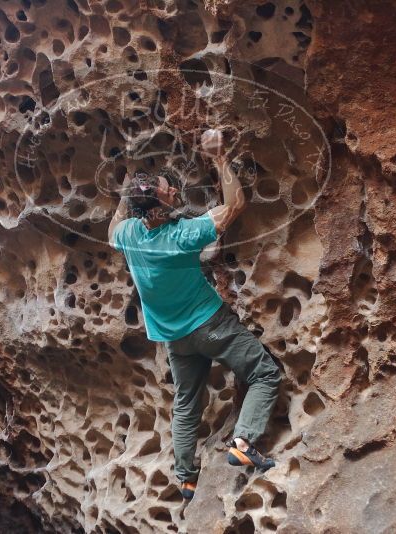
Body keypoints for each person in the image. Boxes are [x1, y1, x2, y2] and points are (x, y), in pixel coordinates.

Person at [108, 130, 282, 501]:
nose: (173, 188)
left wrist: (125, 197)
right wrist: (219, 158)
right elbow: (235, 205)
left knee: (187, 402)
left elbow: (112, 229)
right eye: (166, 188)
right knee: (265, 373)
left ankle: (186, 478)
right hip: (211, 323)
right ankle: (244, 442)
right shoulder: (184, 234)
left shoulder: (128, 235)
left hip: (174, 337)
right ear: (158, 202)